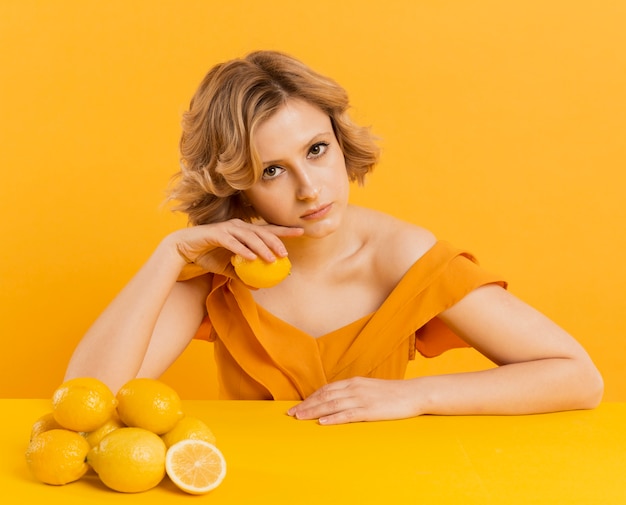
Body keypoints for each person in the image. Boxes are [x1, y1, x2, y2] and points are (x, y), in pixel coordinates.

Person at [64, 50, 603, 425]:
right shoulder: (221, 270)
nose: (309, 188)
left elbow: (578, 378)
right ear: (239, 188)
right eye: (272, 170)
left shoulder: (404, 256)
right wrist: (167, 255)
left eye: (317, 150)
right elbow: (85, 403)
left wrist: (414, 396)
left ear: (341, 141)